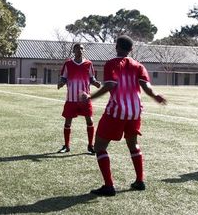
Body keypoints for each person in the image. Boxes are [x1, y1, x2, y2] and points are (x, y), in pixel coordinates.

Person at [81, 35, 167, 196]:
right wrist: (156, 96)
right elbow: (146, 86)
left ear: (117, 47)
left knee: (99, 147)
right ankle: (140, 181)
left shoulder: (111, 64)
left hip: (117, 111)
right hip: (135, 111)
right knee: (133, 144)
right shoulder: (139, 65)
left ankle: (108, 186)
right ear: (131, 49)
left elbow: (110, 85)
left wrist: (89, 97)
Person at [57, 43, 101, 154]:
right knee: (68, 122)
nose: (79, 50)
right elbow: (64, 77)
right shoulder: (68, 64)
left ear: (83, 50)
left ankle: (90, 146)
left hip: (84, 98)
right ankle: (66, 146)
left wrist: (95, 83)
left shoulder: (88, 63)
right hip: (71, 98)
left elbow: (91, 78)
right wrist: (61, 83)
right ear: (74, 51)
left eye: (81, 48)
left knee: (89, 121)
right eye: (77, 49)